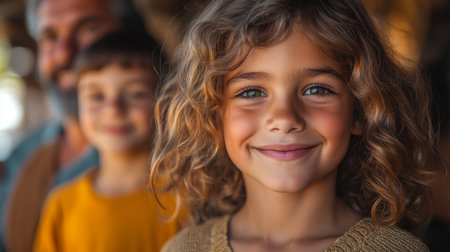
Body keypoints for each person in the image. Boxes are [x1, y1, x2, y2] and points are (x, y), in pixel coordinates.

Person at [150, 0, 440, 251]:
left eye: (317, 90)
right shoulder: (183, 248)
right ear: (213, 115)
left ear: (361, 110)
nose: (285, 118)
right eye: (251, 92)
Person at [0, 0, 146, 251]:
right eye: (50, 36)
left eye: (88, 29)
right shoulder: (22, 157)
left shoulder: (170, 164)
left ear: (129, 36)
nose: (65, 53)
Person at [32, 29, 178, 252]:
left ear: (166, 100)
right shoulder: (61, 206)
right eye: (96, 96)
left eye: (135, 93)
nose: (113, 110)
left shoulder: (185, 200)